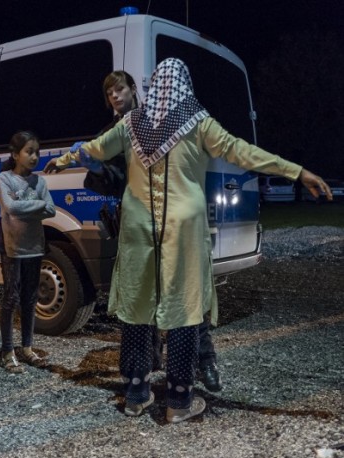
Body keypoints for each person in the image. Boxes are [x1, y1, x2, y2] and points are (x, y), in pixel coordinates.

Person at [45, 58, 331, 423]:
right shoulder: (197, 122)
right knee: (183, 308)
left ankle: (135, 393)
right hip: (184, 228)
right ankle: (179, 401)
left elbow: (94, 149)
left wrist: (64, 160)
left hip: (137, 228)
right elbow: (242, 151)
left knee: (137, 304)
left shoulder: (132, 123)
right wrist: (297, 171)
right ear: (184, 84)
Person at [49, 70, 225, 391]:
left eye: (120, 89)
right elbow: (114, 183)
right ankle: (149, 365)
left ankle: (204, 362)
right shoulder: (112, 131)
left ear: (133, 89)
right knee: (143, 300)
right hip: (138, 227)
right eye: (109, 93)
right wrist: (97, 167)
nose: (115, 96)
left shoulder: (159, 120)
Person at [0, 131, 56, 373]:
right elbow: (10, 207)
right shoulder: (5, 178)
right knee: (11, 298)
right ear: (15, 154)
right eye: (29, 152)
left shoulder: (40, 181)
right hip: (12, 248)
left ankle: (27, 347)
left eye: (37, 152)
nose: (34, 157)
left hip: (34, 247)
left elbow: (51, 210)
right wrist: (39, 205)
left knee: (30, 299)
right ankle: (7, 351)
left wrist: (32, 206)